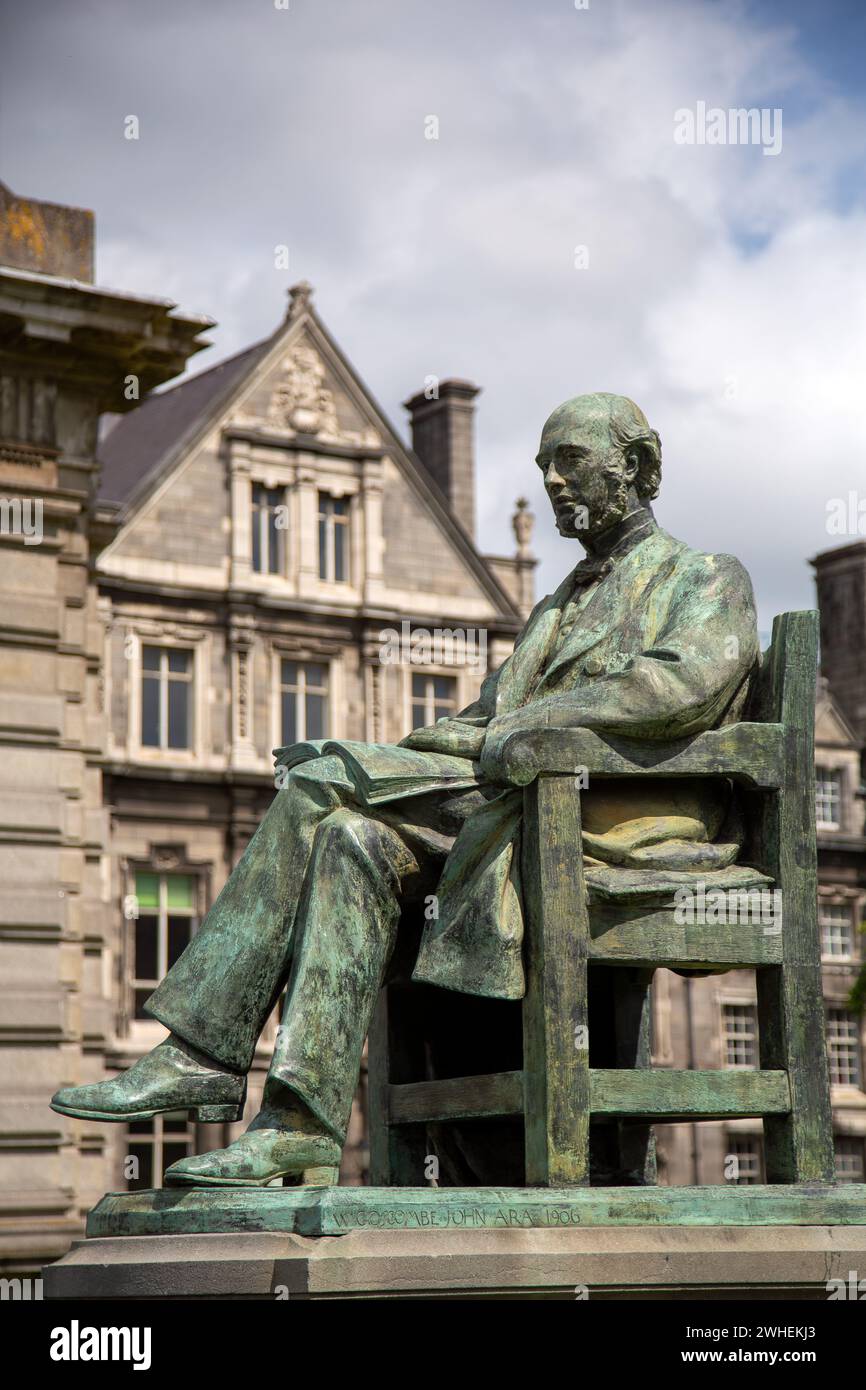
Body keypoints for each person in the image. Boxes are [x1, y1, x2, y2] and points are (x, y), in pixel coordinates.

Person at [51, 393, 759, 1186]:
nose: (553, 481)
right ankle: (301, 1122)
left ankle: (203, 1053)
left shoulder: (705, 576)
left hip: (618, 816)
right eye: (543, 467)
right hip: (517, 802)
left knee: (318, 785)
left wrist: (521, 727)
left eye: (569, 460)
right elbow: (486, 712)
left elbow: (679, 685)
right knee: (353, 839)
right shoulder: (558, 604)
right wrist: (432, 744)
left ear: (633, 464)